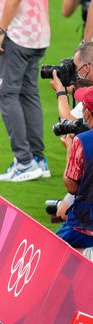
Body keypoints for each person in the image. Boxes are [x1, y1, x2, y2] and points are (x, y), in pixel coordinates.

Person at [0, 0, 50, 182]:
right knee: (28, 95)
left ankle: (24, 162)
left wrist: (0, 30)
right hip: (37, 34)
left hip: (17, 34)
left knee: (6, 95)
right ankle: (37, 160)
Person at [56, 86, 93, 255]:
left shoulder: (82, 140)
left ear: (87, 112)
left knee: (50, 254)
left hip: (84, 227)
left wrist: (70, 149)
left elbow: (71, 186)